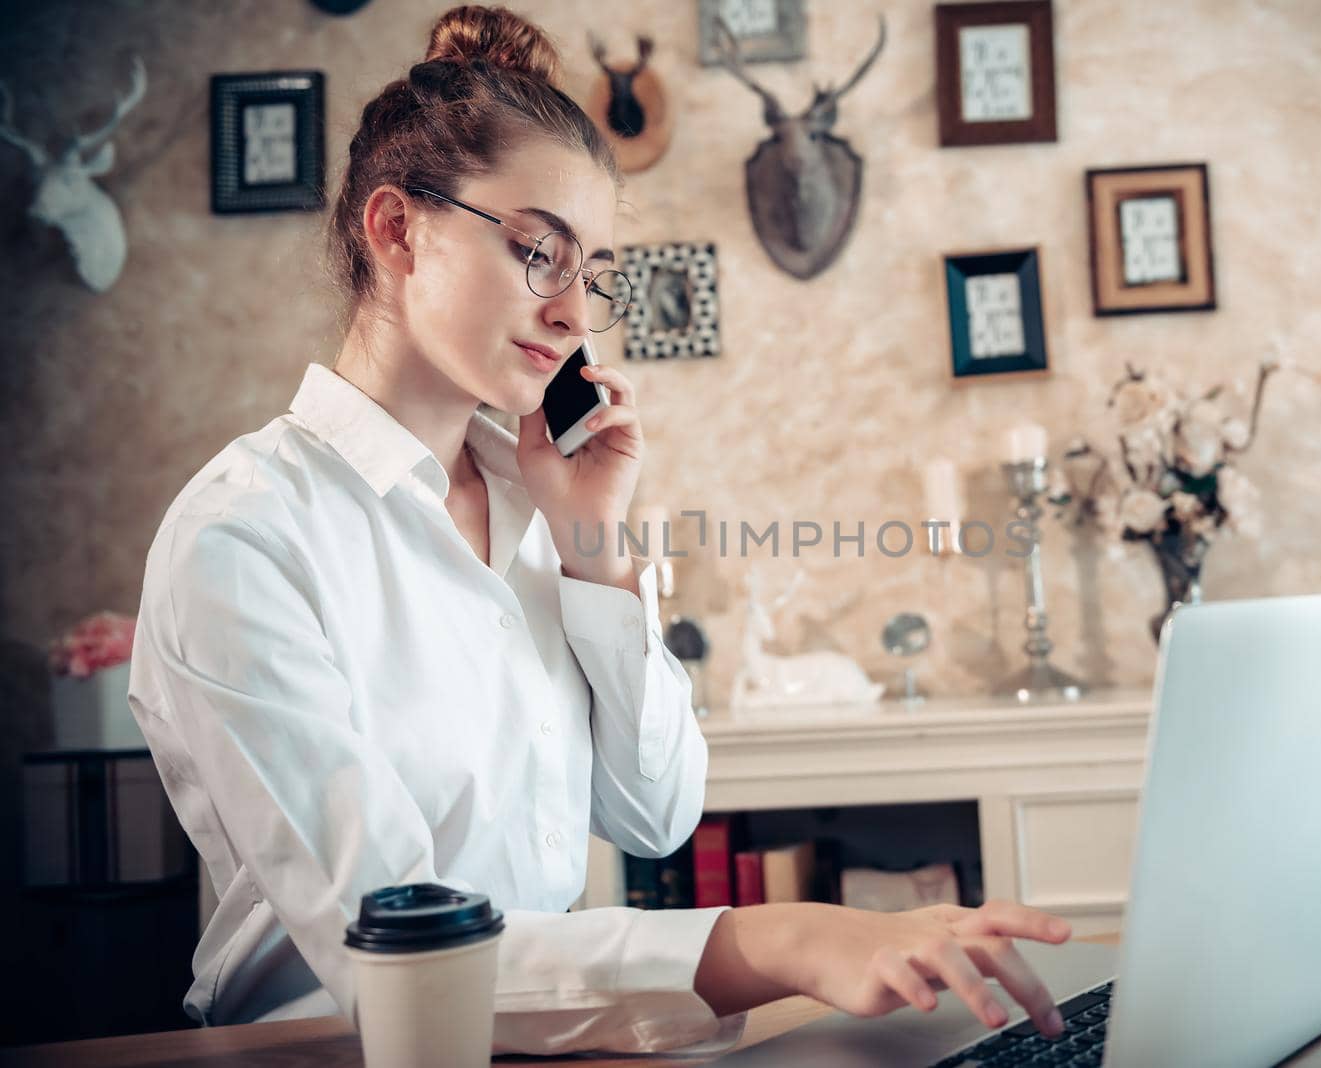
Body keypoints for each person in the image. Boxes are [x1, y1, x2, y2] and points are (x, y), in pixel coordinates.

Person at [127, 4, 1073, 1056]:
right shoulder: (244, 537)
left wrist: (597, 551)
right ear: (395, 228)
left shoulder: (541, 505)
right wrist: (786, 941)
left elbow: (655, 814)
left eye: (595, 272)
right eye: (539, 252)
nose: (577, 311)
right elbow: (394, 951)